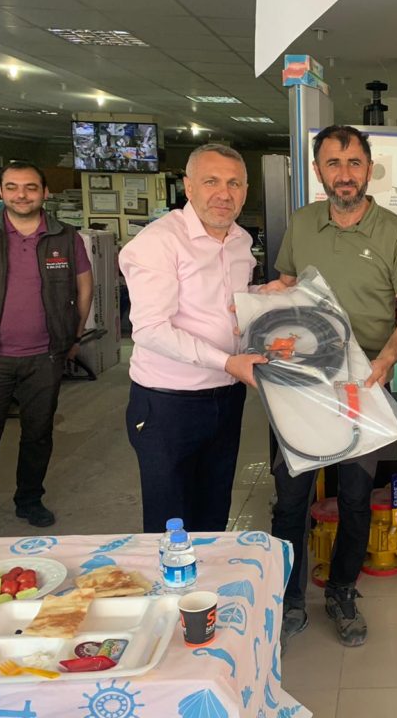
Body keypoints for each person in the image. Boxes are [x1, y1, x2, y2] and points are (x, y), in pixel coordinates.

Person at [265, 125, 397, 650]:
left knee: (355, 498)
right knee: (290, 499)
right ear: (318, 172)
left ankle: (341, 591)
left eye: (354, 162)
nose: (345, 174)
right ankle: (288, 597)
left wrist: (385, 360)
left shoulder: (395, 233)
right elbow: (289, 289)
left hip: (363, 386)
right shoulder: (302, 223)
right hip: (301, 386)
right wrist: (265, 298)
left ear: (369, 168)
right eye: (333, 163)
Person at [119, 143, 265, 534]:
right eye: (211, 181)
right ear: (188, 186)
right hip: (169, 404)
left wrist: (265, 298)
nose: (224, 193)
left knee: (214, 513)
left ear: (245, 190)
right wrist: (226, 362)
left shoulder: (240, 241)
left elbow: (225, 306)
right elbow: (151, 329)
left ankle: (208, 575)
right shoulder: (158, 242)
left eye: (234, 183)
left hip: (226, 397)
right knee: (171, 525)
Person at [0, 162, 93, 529]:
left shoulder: (66, 237)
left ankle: (29, 500)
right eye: (12, 187)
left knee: (38, 434)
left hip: (45, 355)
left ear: (44, 192)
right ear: (0, 192)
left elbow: (84, 288)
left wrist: (74, 337)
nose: (21, 195)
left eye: (30, 187)